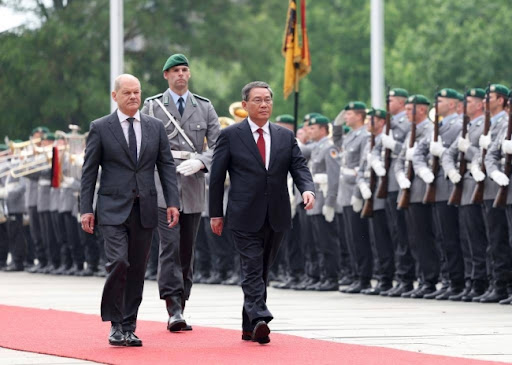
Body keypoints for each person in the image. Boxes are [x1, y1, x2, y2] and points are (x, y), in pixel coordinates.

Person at [209, 81, 315, 344]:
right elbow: (216, 176)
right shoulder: (231, 135)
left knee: (263, 268)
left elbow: (299, 167)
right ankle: (259, 317)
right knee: (252, 266)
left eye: (268, 99)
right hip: (243, 213)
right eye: (258, 100)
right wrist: (215, 213)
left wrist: (307, 189)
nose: (264, 104)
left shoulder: (284, 136)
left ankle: (249, 326)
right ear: (245, 105)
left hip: (277, 212)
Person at [80, 74, 180, 347]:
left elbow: (166, 166)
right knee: (118, 263)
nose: (134, 97)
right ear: (115, 96)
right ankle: (115, 323)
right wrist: (85, 209)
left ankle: (129, 325)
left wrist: (173, 202)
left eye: (137, 92)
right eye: (127, 93)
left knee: (137, 269)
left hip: (145, 207)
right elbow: (89, 172)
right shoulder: (101, 127)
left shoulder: (155, 127)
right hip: (112, 209)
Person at [141, 53, 220, 331]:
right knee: (170, 246)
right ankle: (173, 306)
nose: (181, 75)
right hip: (163, 185)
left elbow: (218, 146)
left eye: (184, 69)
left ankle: (182, 301)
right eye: (175, 70)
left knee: (187, 248)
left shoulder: (205, 107)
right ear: (166, 75)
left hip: (193, 183)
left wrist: (202, 161)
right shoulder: (151, 107)